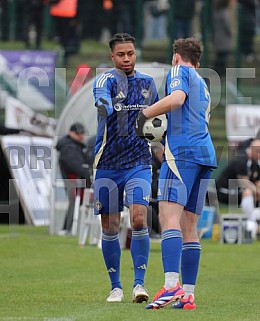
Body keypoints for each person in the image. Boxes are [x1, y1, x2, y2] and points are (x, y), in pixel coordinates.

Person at [135, 38, 217, 310]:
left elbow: (176, 99)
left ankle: (171, 287)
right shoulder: (203, 84)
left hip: (182, 154)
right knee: (189, 226)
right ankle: (189, 295)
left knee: (168, 216)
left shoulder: (179, 71)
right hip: (205, 155)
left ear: (176, 57)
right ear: (198, 61)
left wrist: (144, 115)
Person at [93, 33, 159, 303]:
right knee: (109, 226)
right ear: (112, 56)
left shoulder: (148, 83)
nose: (126, 59)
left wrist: (160, 144)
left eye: (130, 53)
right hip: (107, 164)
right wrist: (106, 107)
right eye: (120, 54)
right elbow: (102, 102)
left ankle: (139, 285)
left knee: (139, 219)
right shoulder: (105, 81)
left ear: (136, 53)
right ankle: (115, 287)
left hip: (138, 162)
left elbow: (156, 119)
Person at [216, 138, 260, 239]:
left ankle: (255, 223)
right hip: (223, 191)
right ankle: (252, 221)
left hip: (237, 192)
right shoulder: (241, 160)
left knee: (253, 193)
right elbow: (244, 183)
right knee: (248, 191)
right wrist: (257, 191)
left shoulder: (256, 164)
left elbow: (258, 183)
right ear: (253, 150)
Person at [56, 123, 91, 235]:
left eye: (82, 133)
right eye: (78, 133)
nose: (81, 136)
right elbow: (76, 166)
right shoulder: (69, 147)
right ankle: (68, 228)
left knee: (76, 202)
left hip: (77, 180)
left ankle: (68, 228)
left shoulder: (75, 146)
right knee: (75, 201)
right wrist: (87, 173)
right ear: (70, 133)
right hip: (75, 181)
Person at [212, 0, 232, 77]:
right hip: (224, 37)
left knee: (219, 55)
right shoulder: (224, 12)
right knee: (222, 56)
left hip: (218, 36)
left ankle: (218, 71)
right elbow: (227, 25)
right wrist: (230, 32)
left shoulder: (216, 11)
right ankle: (220, 73)